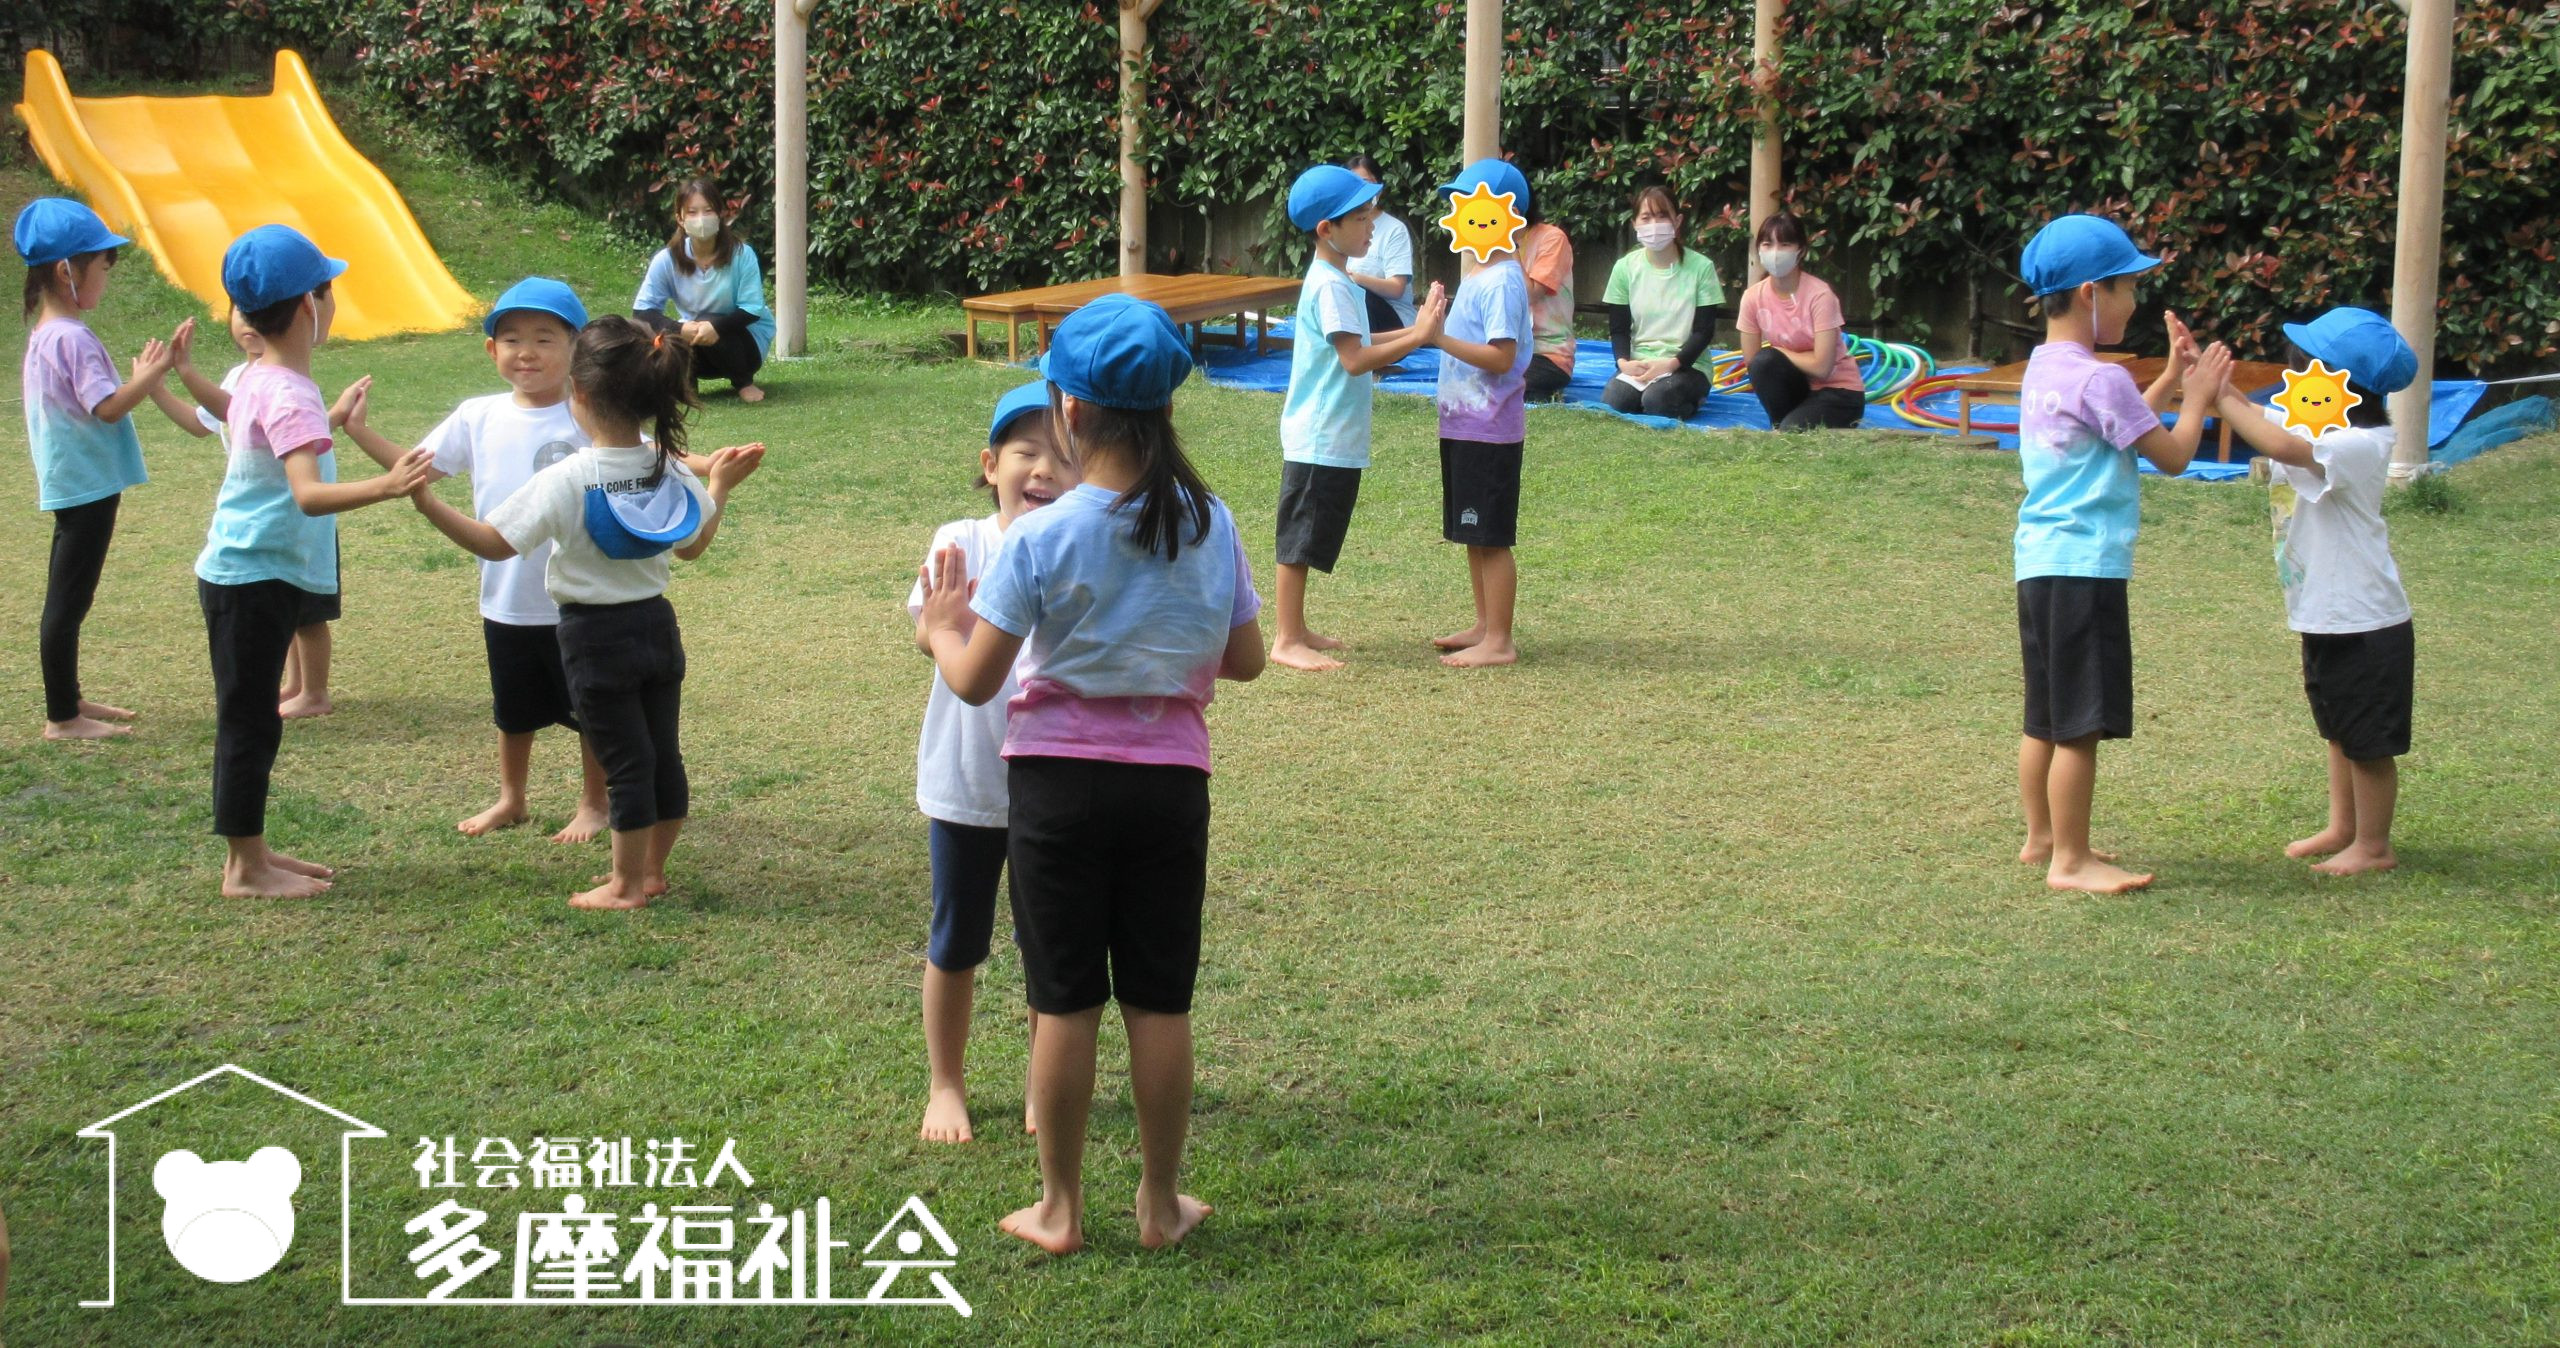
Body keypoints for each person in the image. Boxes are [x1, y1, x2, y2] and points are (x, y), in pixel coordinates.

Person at [916, 293, 1266, 1254]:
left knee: (1064, 999)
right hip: (1169, 789)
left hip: (1056, 791)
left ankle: (1061, 1209)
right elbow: (1246, 660)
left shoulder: (1040, 536)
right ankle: (1159, 1203)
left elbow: (976, 681)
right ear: (1168, 405)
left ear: (1069, 409)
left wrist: (941, 629)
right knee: (1160, 1000)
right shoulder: (1211, 521)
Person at [411, 318, 766, 910]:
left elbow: (494, 543)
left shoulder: (568, 477)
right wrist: (721, 487)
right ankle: (652, 871)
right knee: (661, 755)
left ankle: (625, 886)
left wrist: (426, 502)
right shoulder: (667, 465)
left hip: (594, 638)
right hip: (657, 628)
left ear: (578, 393)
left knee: (626, 764)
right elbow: (692, 547)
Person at [195, 225, 435, 898]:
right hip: (253, 577)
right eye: (327, 292)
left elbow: (278, 442)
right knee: (248, 723)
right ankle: (244, 869)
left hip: (246, 574)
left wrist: (331, 416)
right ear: (309, 304)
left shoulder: (261, 377)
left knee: (251, 719)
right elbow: (306, 493)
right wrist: (386, 485)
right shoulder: (287, 389)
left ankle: (253, 852)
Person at [335, 277, 615, 842]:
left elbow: (642, 456)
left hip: (577, 595)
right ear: (491, 350)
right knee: (512, 709)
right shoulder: (477, 415)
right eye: (511, 340)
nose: (526, 352)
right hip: (506, 596)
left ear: (577, 348)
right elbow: (417, 468)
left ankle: (595, 802)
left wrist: (705, 465)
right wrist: (358, 429)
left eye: (544, 338)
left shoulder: (588, 414)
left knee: (591, 709)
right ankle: (512, 799)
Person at [2011, 213, 2231, 894]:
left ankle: (2043, 838)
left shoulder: (2045, 368)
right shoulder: (2099, 378)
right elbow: (2173, 454)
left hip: (2041, 564)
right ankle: (2071, 861)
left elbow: (2122, 420)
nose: (2134, 302)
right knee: (2081, 723)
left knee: (2046, 715)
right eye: (2128, 287)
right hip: (2087, 568)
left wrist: (2167, 377)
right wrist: (2198, 397)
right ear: (2090, 293)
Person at [909, 380, 1079, 1144]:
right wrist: (943, 626)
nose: (1043, 469)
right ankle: (946, 1083)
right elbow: (928, 632)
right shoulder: (961, 541)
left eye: (1064, 457)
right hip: (966, 781)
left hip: (1055, 783)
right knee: (956, 939)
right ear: (990, 465)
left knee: (1047, 945)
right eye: (1026, 452)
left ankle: (1045, 1085)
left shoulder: (1082, 545)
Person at [2210, 306, 2417, 877]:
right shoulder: (2321, 427)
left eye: (2301, 371)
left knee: (2367, 739)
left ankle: (2374, 845)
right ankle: (2342, 827)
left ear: (2340, 388)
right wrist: (2208, 377)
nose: (2289, 380)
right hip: (2326, 612)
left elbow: (2280, 446)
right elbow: (2267, 421)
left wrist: (2218, 396)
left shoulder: (2360, 444)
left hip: (2365, 620)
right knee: (2339, 728)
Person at [1273, 164, 1449, 672]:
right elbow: (1355, 360)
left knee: (1311, 535)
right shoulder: (1330, 286)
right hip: (1320, 434)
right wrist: (1419, 337)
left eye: (1371, 214)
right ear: (1326, 229)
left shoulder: (1339, 280)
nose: (1372, 225)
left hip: (1333, 433)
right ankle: (1286, 639)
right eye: (1360, 218)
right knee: (1298, 539)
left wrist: (1418, 332)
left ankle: (1298, 628)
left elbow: (1364, 341)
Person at [17, 197, 174, 741]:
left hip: (73, 479)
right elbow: (106, 407)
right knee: (68, 600)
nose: (107, 278)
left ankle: (70, 696)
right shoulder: (72, 337)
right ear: (67, 272)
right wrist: (150, 375)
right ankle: (63, 717)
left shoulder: (47, 333)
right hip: (86, 484)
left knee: (70, 597)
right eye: (103, 267)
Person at [168, 305, 359, 721]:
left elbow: (298, 437)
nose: (249, 322)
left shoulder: (289, 384)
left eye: (256, 311)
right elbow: (226, 412)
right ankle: (294, 683)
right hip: (274, 523)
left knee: (309, 614)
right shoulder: (250, 377)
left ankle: (315, 691)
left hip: (299, 522)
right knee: (287, 614)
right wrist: (177, 375)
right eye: (240, 312)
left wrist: (340, 420)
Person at [1431, 158, 1536, 670]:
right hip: (1465, 425)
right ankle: (1484, 624)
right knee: (1473, 532)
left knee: (1490, 537)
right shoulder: (1480, 273)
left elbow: (1500, 356)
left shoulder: (1501, 282)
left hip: (1488, 430)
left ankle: (1500, 639)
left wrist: (1438, 338)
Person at [632, 178, 774, 403]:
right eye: (692, 212)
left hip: (744, 346)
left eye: (708, 211)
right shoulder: (667, 259)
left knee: (709, 320)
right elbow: (642, 312)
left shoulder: (742, 255)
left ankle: (744, 383)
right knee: (668, 336)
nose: (701, 219)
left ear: (720, 214)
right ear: (680, 218)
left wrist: (715, 326)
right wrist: (679, 328)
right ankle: (685, 388)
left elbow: (752, 309)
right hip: (696, 341)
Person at [1600, 186, 1722, 422]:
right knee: (1615, 401)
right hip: (1640, 363)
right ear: (1634, 223)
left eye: (1662, 216)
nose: (1654, 224)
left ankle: (1693, 399)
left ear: (1677, 221)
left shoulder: (1702, 268)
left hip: (1687, 365)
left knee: (1658, 400)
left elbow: (1704, 331)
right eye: (1646, 217)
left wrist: (1672, 364)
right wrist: (1623, 363)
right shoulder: (1624, 268)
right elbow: (1618, 328)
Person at [1735, 211, 1867, 431]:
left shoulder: (1820, 296)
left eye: (1785, 244)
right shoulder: (1752, 297)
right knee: (1764, 362)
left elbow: (1822, 367)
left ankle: (1787, 426)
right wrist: (1777, 356)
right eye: (1768, 244)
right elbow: (1753, 363)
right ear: (1758, 249)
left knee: (1792, 430)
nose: (1775, 252)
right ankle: (1782, 424)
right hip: (1800, 388)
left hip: (1839, 392)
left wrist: (1781, 352)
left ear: (1801, 250)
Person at [1339, 154, 1416, 336]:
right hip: (1351, 310)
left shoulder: (1394, 230)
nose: (1360, 190)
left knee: (1353, 291)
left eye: (1366, 184)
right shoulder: (1339, 225)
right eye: (1353, 184)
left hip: (1391, 320)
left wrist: (1354, 278)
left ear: (1379, 189)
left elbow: (1397, 288)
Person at [1520, 198, 1577, 402]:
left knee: (1505, 385)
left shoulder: (1552, 238)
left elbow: (1531, 293)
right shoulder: (1486, 241)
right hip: (1502, 349)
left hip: (1547, 354)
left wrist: (1509, 246)